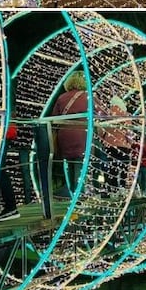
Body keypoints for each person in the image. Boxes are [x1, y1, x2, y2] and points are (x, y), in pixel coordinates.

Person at [39, 70, 90, 217]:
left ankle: (72, 195)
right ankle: (79, 199)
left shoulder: (62, 98)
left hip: (65, 136)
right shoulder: (88, 97)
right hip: (82, 135)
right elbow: (100, 113)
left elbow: (54, 117)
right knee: (80, 166)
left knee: (69, 165)